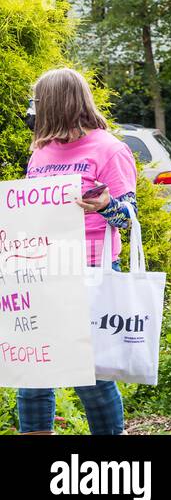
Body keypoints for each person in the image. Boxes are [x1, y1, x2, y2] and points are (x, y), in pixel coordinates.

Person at [16, 68, 137, 436]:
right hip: (42, 271)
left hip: (91, 273)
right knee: (33, 372)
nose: (32, 109)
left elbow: (129, 218)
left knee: (90, 374)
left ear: (55, 104)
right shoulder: (41, 152)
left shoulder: (109, 148)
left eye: (37, 101)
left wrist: (104, 206)